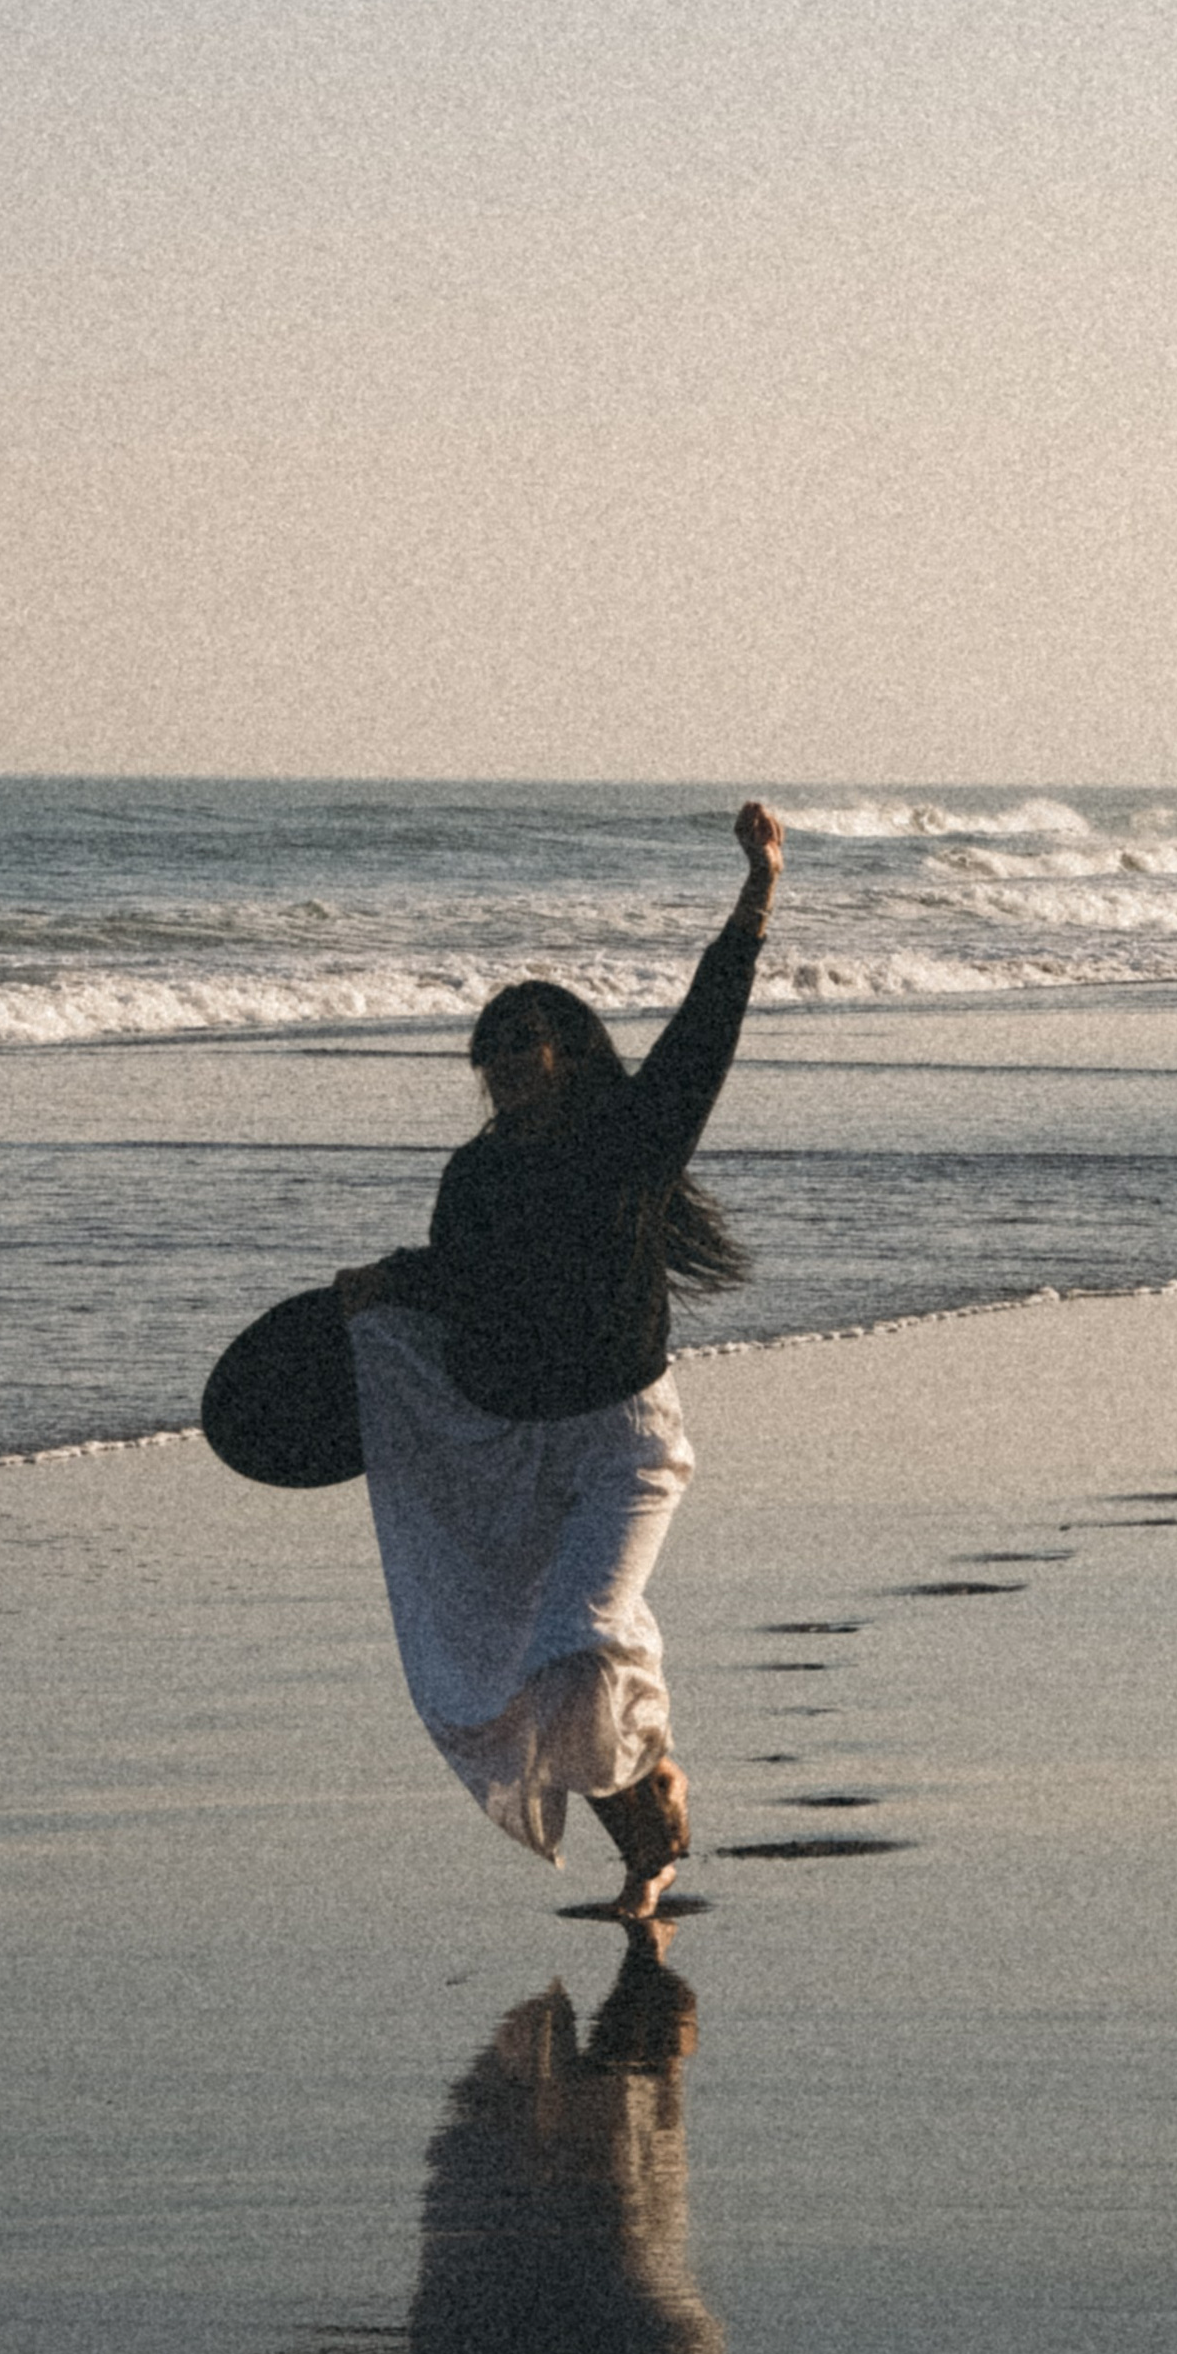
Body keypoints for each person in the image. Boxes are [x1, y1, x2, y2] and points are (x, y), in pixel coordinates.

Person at [333, 804, 784, 1910]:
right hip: (517, 1448)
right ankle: (650, 1825)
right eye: (488, 1054)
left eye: (520, 1047)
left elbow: (705, 1026)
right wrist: (383, 1287)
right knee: (517, 1669)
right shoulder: (474, 1176)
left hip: (627, 1445)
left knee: (574, 1645)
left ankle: (650, 1786)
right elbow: (460, 1284)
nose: (502, 1069)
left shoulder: (631, 1137)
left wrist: (758, 892)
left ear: (566, 1051)